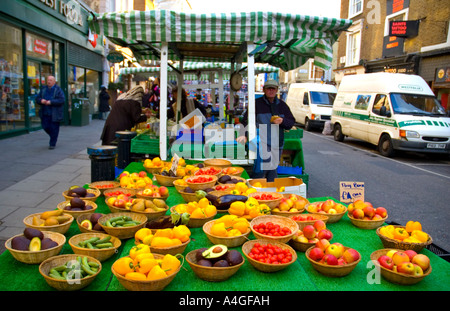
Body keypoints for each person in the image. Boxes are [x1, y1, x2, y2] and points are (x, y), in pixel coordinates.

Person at [236, 79, 295, 181]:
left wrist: (282, 121)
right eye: (268, 88)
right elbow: (245, 121)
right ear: (264, 90)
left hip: (277, 144)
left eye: (273, 88)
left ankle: (270, 193)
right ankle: (256, 190)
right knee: (260, 170)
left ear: (277, 90)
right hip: (261, 143)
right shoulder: (256, 104)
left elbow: (291, 122)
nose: (271, 91)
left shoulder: (282, 105)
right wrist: (243, 134)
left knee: (272, 170)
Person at [35, 75, 65, 149]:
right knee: (45, 126)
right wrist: (41, 100)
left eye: (51, 80)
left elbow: (62, 100)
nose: (49, 81)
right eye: (48, 80)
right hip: (45, 112)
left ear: (54, 81)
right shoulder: (43, 89)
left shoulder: (58, 90)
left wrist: (51, 102)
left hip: (54, 113)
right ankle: (53, 136)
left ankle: (52, 143)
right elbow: (37, 98)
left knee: (54, 128)